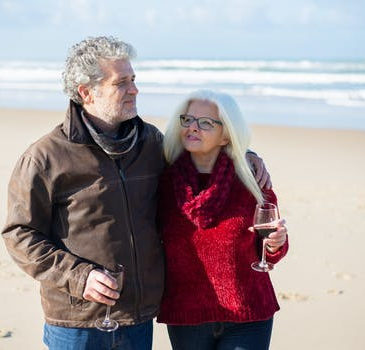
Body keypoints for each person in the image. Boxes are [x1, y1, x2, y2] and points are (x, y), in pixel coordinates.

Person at [1, 37, 271, 350]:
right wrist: (78, 276)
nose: (134, 89)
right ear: (87, 92)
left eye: (134, 79)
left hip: (138, 319)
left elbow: (202, 154)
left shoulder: (151, 143)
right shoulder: (46, 157)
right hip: (78, 322)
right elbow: (19, 234)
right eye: (122, 83)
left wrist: (243, 153)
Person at [157, 89, 289, 350]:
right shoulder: (161, 181)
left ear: (226, 134)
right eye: (187, 120)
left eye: (205, 123)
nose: (193, 128)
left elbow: (270, 252)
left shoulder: (252, 182)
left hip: (248, 315)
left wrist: (275, 244)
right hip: (187, 316)